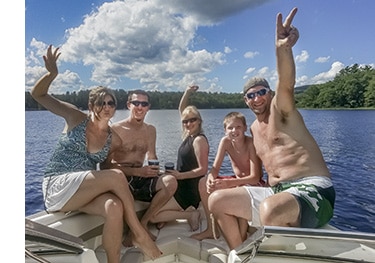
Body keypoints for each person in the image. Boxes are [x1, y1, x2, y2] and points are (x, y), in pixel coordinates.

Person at [209, 7, 336, 250]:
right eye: (251, 95)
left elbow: (286, 82)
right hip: (277, 192)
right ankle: (241, 253)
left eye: (261, 92)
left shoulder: (282, 111)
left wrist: (283, 49)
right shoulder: (254, 130)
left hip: (313, 189)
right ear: (245, 101)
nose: (256, 98)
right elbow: (255, 172)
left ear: (270, 94)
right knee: (217, 201)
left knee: (271, 210)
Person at [31, 45, 162, 263]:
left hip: (82, 191)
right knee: (115, 179)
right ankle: (139, 233)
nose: (107, 106)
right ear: (91, 105)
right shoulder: (76, 118)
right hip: (57, 185)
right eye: (101, 102)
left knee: (114, 206)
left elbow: (111, 166)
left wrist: (141, 169)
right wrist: (52, 74)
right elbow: (38, 94)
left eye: (111, 103)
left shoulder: (113, 137)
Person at [102, 89, 178, 240]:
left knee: (170, 182)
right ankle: (135, 231)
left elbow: (152, 156)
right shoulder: (115, 130)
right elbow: (105, 167)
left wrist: (156, 171)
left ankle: (143, 224)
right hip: (120, 179)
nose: (140, 107)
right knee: (119, 180)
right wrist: (138, 172)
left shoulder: (150, 130)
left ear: (148, 107)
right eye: (136, 103)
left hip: (140, 177)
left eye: (144, 104)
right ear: (129, 105)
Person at [191, 111, 264, 241]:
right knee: (203, 183)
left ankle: (241, 237)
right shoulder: (225, 142)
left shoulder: (250, 143)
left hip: (253, 184)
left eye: (238, 127)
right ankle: (211, 229)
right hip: (236, 181)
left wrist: (229, 184)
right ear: (225, 130)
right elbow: (214, 169)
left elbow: (255, 177)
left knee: (242, 190)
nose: (234, 130)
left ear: (245, 128)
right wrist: (210, 179)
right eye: (230, 128)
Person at [148, 85, 209, 231]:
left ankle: (191, 214)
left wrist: (180, 176)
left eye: (192, 120)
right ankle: (179, 213)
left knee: (152, 216)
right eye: (185, 121)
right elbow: (181, 109)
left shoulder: (199, 140)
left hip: (189, 189)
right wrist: (187, 92)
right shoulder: (190, 135)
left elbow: (203, 170)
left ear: (199, 121)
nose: (188, 124)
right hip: (180, 183)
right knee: (156, 203)